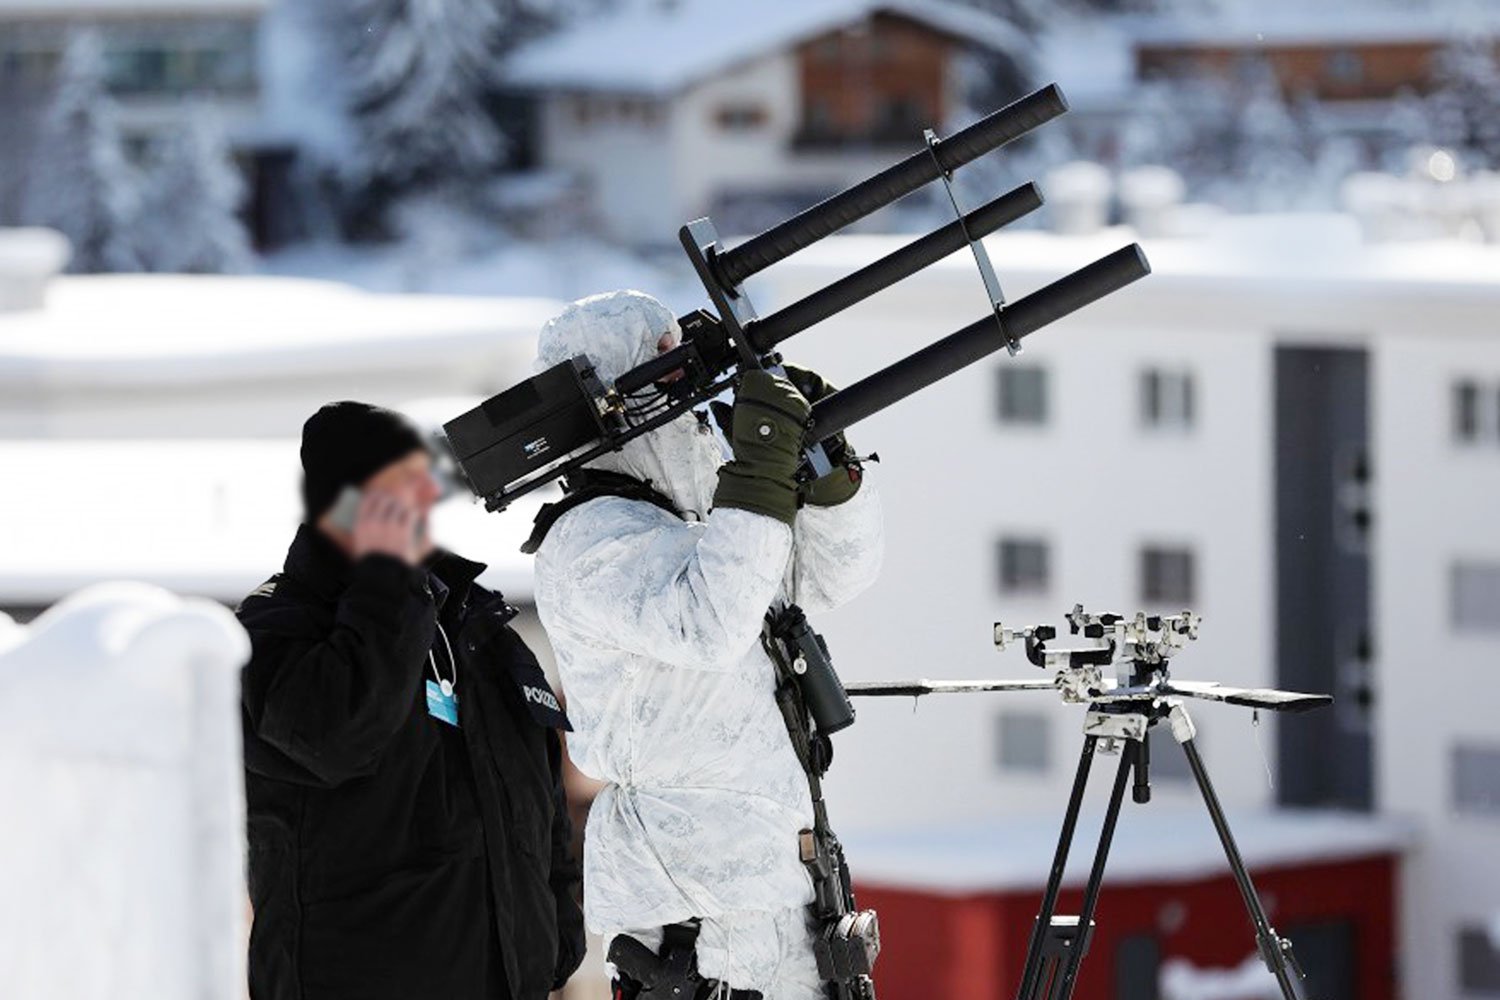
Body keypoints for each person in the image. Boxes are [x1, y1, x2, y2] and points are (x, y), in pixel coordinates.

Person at [527, 291, 884, 999]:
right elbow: (710, 621)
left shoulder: (691, 530)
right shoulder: (588, 540)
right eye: (659, 359)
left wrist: (823, 463)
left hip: (783, 889)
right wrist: (756, 475)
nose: (684, 379)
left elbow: (827, 576)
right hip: (693, 917)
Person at [237, 401, 585, 1000]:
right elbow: (335, 737)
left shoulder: (474, 626)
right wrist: (386, 573)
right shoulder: (276, 629)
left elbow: (540, 796)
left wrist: (553, 937)